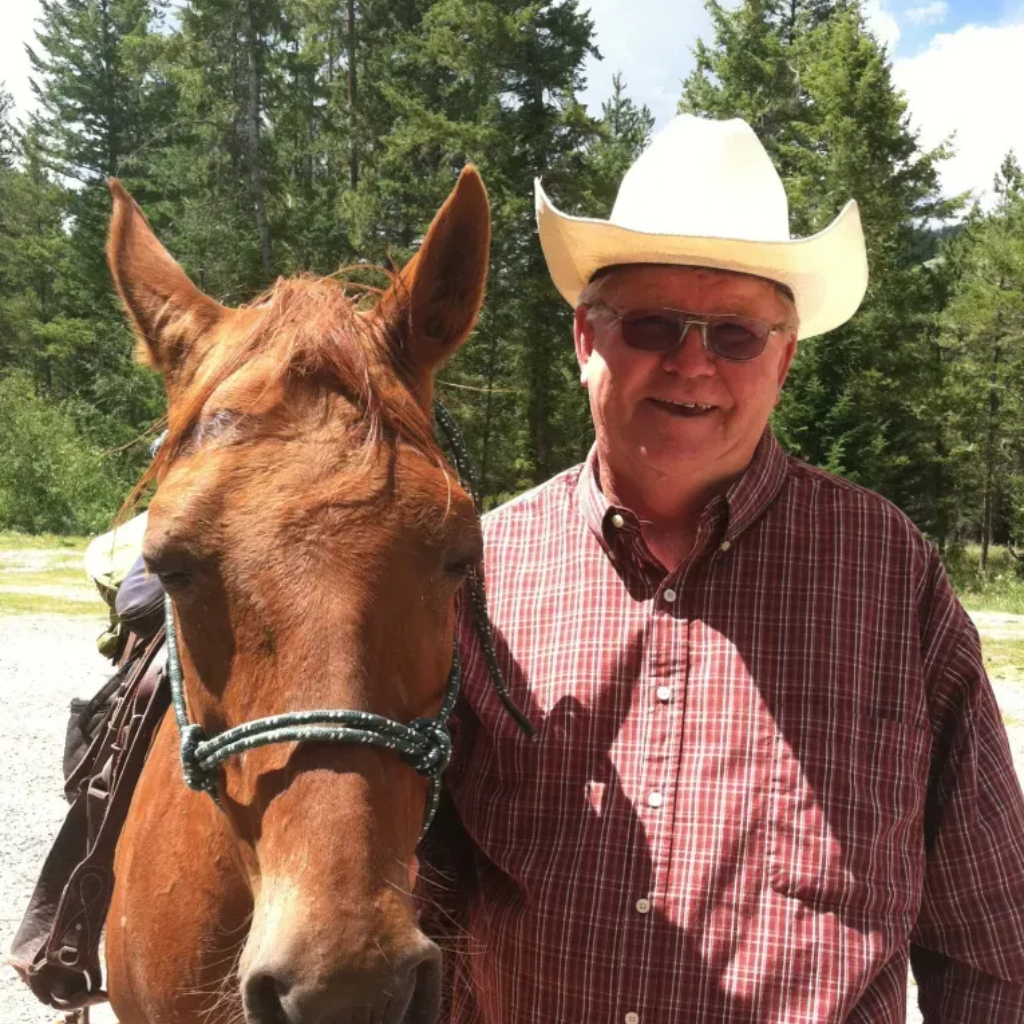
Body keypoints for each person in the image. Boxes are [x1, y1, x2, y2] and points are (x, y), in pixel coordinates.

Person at [430, 115, 1024, 1022]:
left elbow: (989, 931)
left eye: (738, 335)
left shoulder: (888, 573)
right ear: (587, 341)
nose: (694, 362)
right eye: (653, 324)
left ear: (783, 360)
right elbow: (414, 883)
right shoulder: (483, 573)